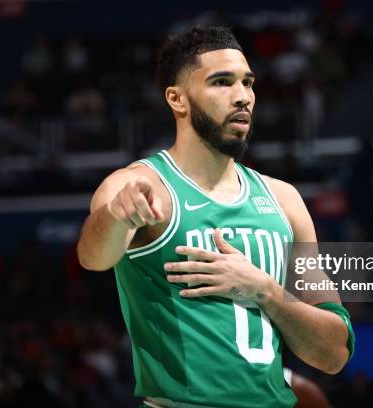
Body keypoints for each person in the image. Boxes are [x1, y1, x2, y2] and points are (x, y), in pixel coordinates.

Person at [76, 26, 354, 408]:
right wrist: (115, 216)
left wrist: (266, 291)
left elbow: (335, 352)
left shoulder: (284, 200)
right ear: (177, 99)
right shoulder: (139, 186)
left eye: (248, 83)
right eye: (221, 83)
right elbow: (94, 257)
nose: (243, 97)